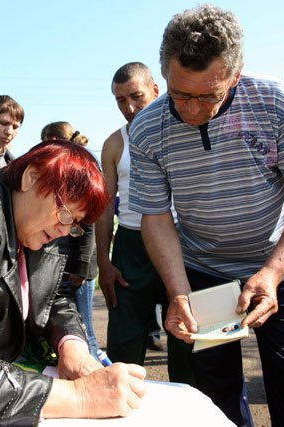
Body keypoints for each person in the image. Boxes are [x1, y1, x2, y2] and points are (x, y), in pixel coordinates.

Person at [128, 4, 284, 426]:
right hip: (203, 273)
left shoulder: (278, 102)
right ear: (164, 75)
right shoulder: (147, 128)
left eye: (209, 95)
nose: (191, 110)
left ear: (235, 75)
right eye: (180, 94)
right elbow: (156, 218)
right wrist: (178, 293)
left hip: (282, 269)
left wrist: (273, 273)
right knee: (216, 397)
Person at [0, 140, 147, 425]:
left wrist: (72, 346)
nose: (64, 230)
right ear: (31, 177)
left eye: (74, 224)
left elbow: (52, 294)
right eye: (66, 214)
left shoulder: (35, 220)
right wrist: (79, 396)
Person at [95, 62, 193, 383]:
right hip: (131, 246)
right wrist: (103, 261)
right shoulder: (114, 144)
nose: (129, 107)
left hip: (179, 242)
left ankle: (186, 403)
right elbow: (104, 206)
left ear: (155, 90)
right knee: (123, 345)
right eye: (120, 100)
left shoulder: (183, 131)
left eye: (136, 96)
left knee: (187, 340)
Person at [40, 121, 100, 356]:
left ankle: (96, 369)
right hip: (62, 266)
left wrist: (80, 267)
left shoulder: (81, 171)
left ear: (56, 141)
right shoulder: (60, 171)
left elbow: (89, 226)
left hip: (78, 271)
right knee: (69, 330)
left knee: (84, 331)